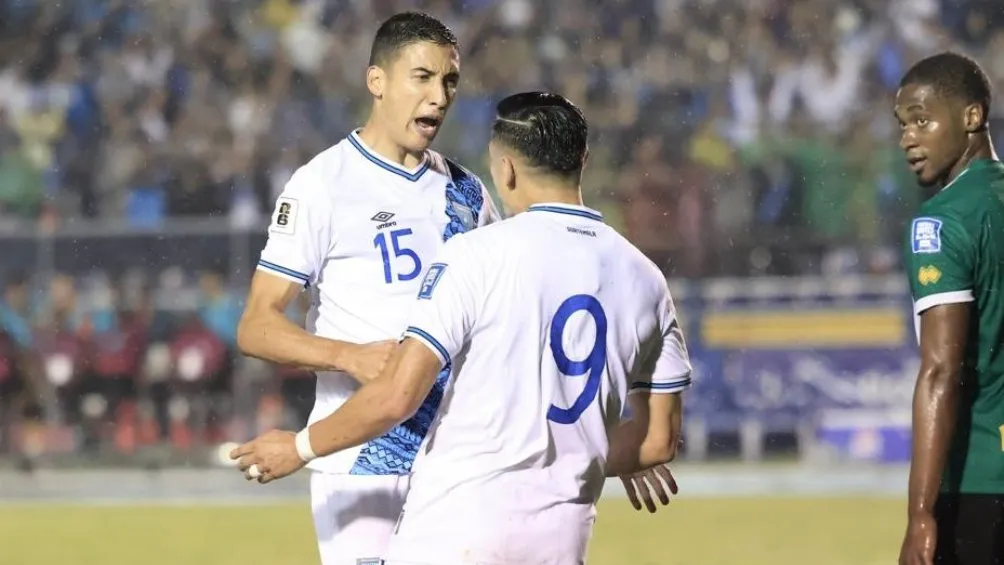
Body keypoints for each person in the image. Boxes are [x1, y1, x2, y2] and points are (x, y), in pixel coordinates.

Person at [232, 92, 691, 564]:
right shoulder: (645, 278)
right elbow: (658, 440)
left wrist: (300, 447)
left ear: (505, 169)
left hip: (457, 527)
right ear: (583, 160)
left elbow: (398, 396)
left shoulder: (476, 255)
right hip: (560, 538)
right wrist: (593, 452)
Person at [234, 12, 499, 565]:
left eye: (449, 81)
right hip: (360, 460)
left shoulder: (467, 193)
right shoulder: (322, 185)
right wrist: (347, 356)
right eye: (422, 77)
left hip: (459, 461)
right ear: (376, 81)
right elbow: (257, 326)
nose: (439, 96)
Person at [895, 51, 1004, 565]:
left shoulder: (940, 224)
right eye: (902, 124)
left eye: (922, 120)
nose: (907, 139)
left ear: (972, 116)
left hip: (978, 482)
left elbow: (942, 371)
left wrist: (920, 513)